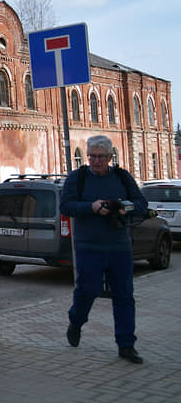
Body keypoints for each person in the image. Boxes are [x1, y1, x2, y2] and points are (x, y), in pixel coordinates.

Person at [60, 135, 148, 364]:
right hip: (88, 247)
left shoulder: (121, 177)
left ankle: (126, 345)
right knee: (87, 290)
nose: (95, 161)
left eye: (100, 157)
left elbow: (141, 204)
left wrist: (123, 209)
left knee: (124, 296)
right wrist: (92, 207)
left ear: (110, 157)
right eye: (91, 156)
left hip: (119, 247)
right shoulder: (77, 178)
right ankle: (76, 322)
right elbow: (66, 206)